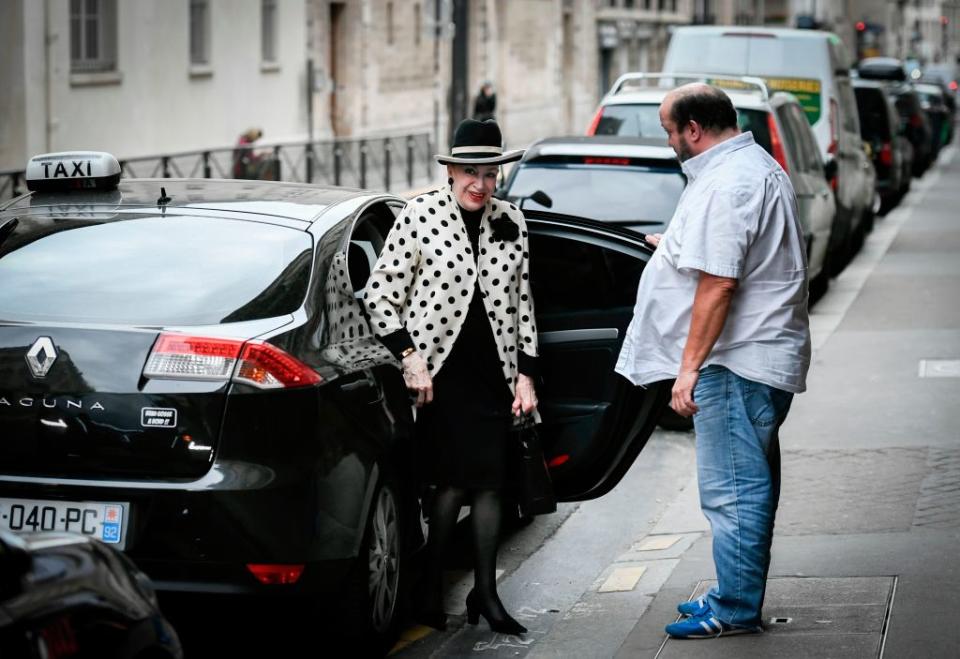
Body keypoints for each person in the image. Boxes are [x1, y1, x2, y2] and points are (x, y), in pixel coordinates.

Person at [615, 83, 811, 639]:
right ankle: (733, 594)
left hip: (736, 362)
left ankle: (734, 609)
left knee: (734, 491)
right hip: (753, 358)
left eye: (667, 130)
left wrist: (688, 368)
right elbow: (721, 258)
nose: (669, 140)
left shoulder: (728, 184)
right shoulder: (748, 168)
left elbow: (720, 282)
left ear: (693, 129)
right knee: (746, 486)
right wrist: (671, 247)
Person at [364, 118, 539, 635]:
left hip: (495, 375)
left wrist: (527, 375)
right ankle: (429, 587)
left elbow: (523, 303)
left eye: (490, 173)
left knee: (491, 485)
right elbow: (379, 294)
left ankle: (485, 592)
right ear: (450, 170)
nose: (480, 184)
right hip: (439, 375)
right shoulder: (419, 216)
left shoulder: (512, 220)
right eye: (470, 172)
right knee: (451, 484)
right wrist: (408, 356)